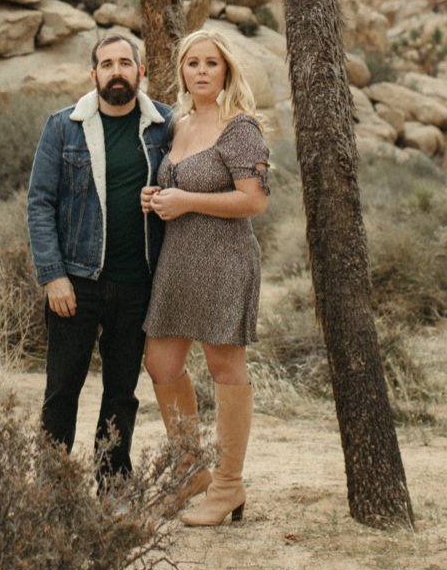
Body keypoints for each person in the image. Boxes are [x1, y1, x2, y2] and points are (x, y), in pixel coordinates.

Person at [25, 30, 174, 483]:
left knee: (121, 393)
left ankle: (112, 485)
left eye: (124, 64)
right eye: (107, 65)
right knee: (62, 390)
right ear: (93, 74)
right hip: (77, 282)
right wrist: (53, 276)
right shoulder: (63, 125)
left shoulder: (165, 126)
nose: (116, 72)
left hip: (137, 285)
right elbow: (39, 203)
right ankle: (50, 489)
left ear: (139, 72)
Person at [142, 27, 272, 528]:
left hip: (225, 259)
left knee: (224, 366)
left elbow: (255, 200)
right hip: (177, 262)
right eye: (192, 63)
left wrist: (189, 201)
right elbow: (171, 188)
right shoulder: (176, 124)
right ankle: (191, 471)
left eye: (210, 64)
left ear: (226, 71)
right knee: (161, 362)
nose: (201, 71)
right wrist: (154, 200)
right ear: (181, 70)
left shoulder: (240, 128)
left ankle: (228, 485)